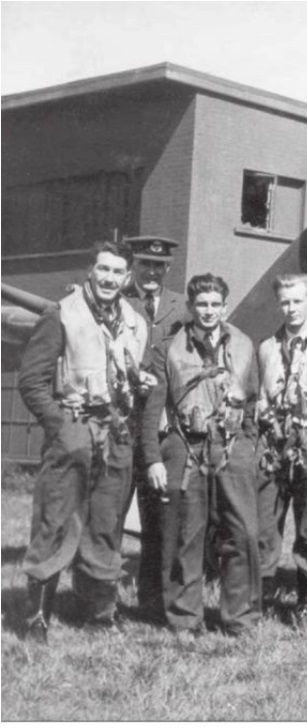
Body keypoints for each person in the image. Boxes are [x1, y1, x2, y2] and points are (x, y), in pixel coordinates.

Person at [18, 240, 150, 640]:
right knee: (55, 520)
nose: (109, 278)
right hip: (74, 431)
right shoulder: (61, 314)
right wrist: (62, 427)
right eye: (103, 269)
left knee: (106, 524)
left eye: (117, 271)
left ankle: (98, 614)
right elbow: (32, 381)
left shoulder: (135, 321)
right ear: (90, 271)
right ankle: (37, 618)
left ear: (127, 277)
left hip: (117, 433)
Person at [141, 273, 261, 637]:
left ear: (224, 307)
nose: (208, 311)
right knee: (185, 535)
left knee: (242, 533)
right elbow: (153, 407)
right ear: (191, 307)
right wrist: (153, 458)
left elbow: (252, 401)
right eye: (202, 305)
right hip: (185, 445)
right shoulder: (169, 347)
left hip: (232, 445)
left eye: (215, 305)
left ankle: (240, 619)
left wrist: (249, 446)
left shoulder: (244, 344)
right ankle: (184, 618)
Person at [255, 273, 307, 624]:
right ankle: (259, 597)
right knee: (264, 521)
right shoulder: (268, 348)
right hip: (274, 442)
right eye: (284, 302)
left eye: (297, 301)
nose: (291, 309)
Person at [120, 235, 187, 622]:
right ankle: (97, 600)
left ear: (168, 269)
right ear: (134, 265)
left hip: (161, 428)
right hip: (123, 425)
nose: (151, 272)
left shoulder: (183, 306)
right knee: (110, 516)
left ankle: (152, 601)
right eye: (144, 263)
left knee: (157, 522)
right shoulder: (119, 302)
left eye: (158, 266)